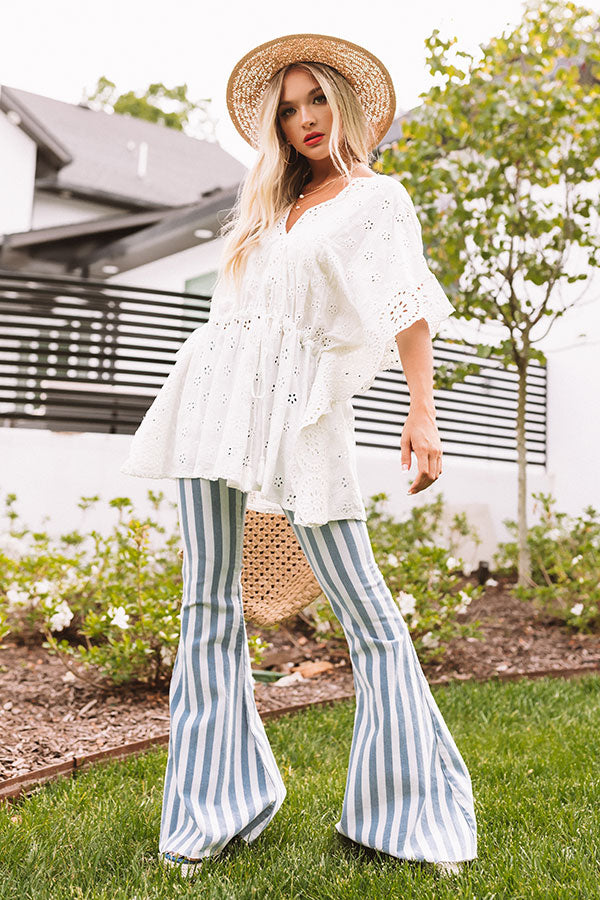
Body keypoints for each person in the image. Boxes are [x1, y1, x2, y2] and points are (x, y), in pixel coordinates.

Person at [119, 33, 478, 879]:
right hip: (212, 401)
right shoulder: (268, 207)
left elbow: (406, 308)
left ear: (345, 104)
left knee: (367, 610)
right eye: (288, 109)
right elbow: (236, 318)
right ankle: (209, 816)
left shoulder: (378, 199)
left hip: (303, 410)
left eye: (316, 99)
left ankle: (411, 815)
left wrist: (422, 413)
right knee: (208, 605)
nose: (305, 119)